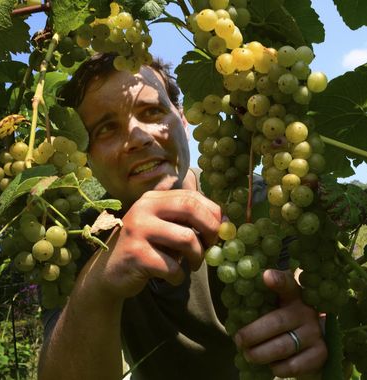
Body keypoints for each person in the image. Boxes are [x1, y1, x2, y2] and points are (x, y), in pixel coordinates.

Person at [38, 53, 327, 380]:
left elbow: (309, 290)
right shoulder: (77, 237)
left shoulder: (262, 204)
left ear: (184, 119)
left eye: (152, 112)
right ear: (86, 158)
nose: (138, 137)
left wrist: (316, 324)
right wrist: (97, 288)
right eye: (106, 129)